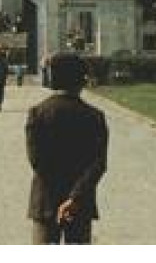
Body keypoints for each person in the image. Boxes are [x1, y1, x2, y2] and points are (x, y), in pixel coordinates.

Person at [25, 52, 108, 245]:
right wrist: (73, 198)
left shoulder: (38, 113)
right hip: (80, 202)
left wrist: (59, 197)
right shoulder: (94, 116)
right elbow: (98, 164)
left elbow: (37, 161)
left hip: (46, 199)